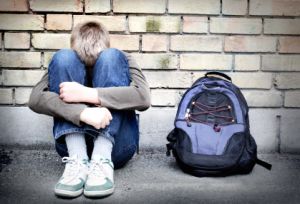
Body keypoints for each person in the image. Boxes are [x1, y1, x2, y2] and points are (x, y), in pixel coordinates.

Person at [28, 21, 151, 198]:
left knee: (113, 57)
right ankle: (78, 161)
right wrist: (82, 113)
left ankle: (102, 159)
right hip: (72, 149)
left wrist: (88, 94)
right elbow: (35, 99)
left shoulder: (121, 58)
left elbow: (144, 98)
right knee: (63, 57)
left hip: (117, 147)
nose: (90, 67)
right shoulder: (69, 58)